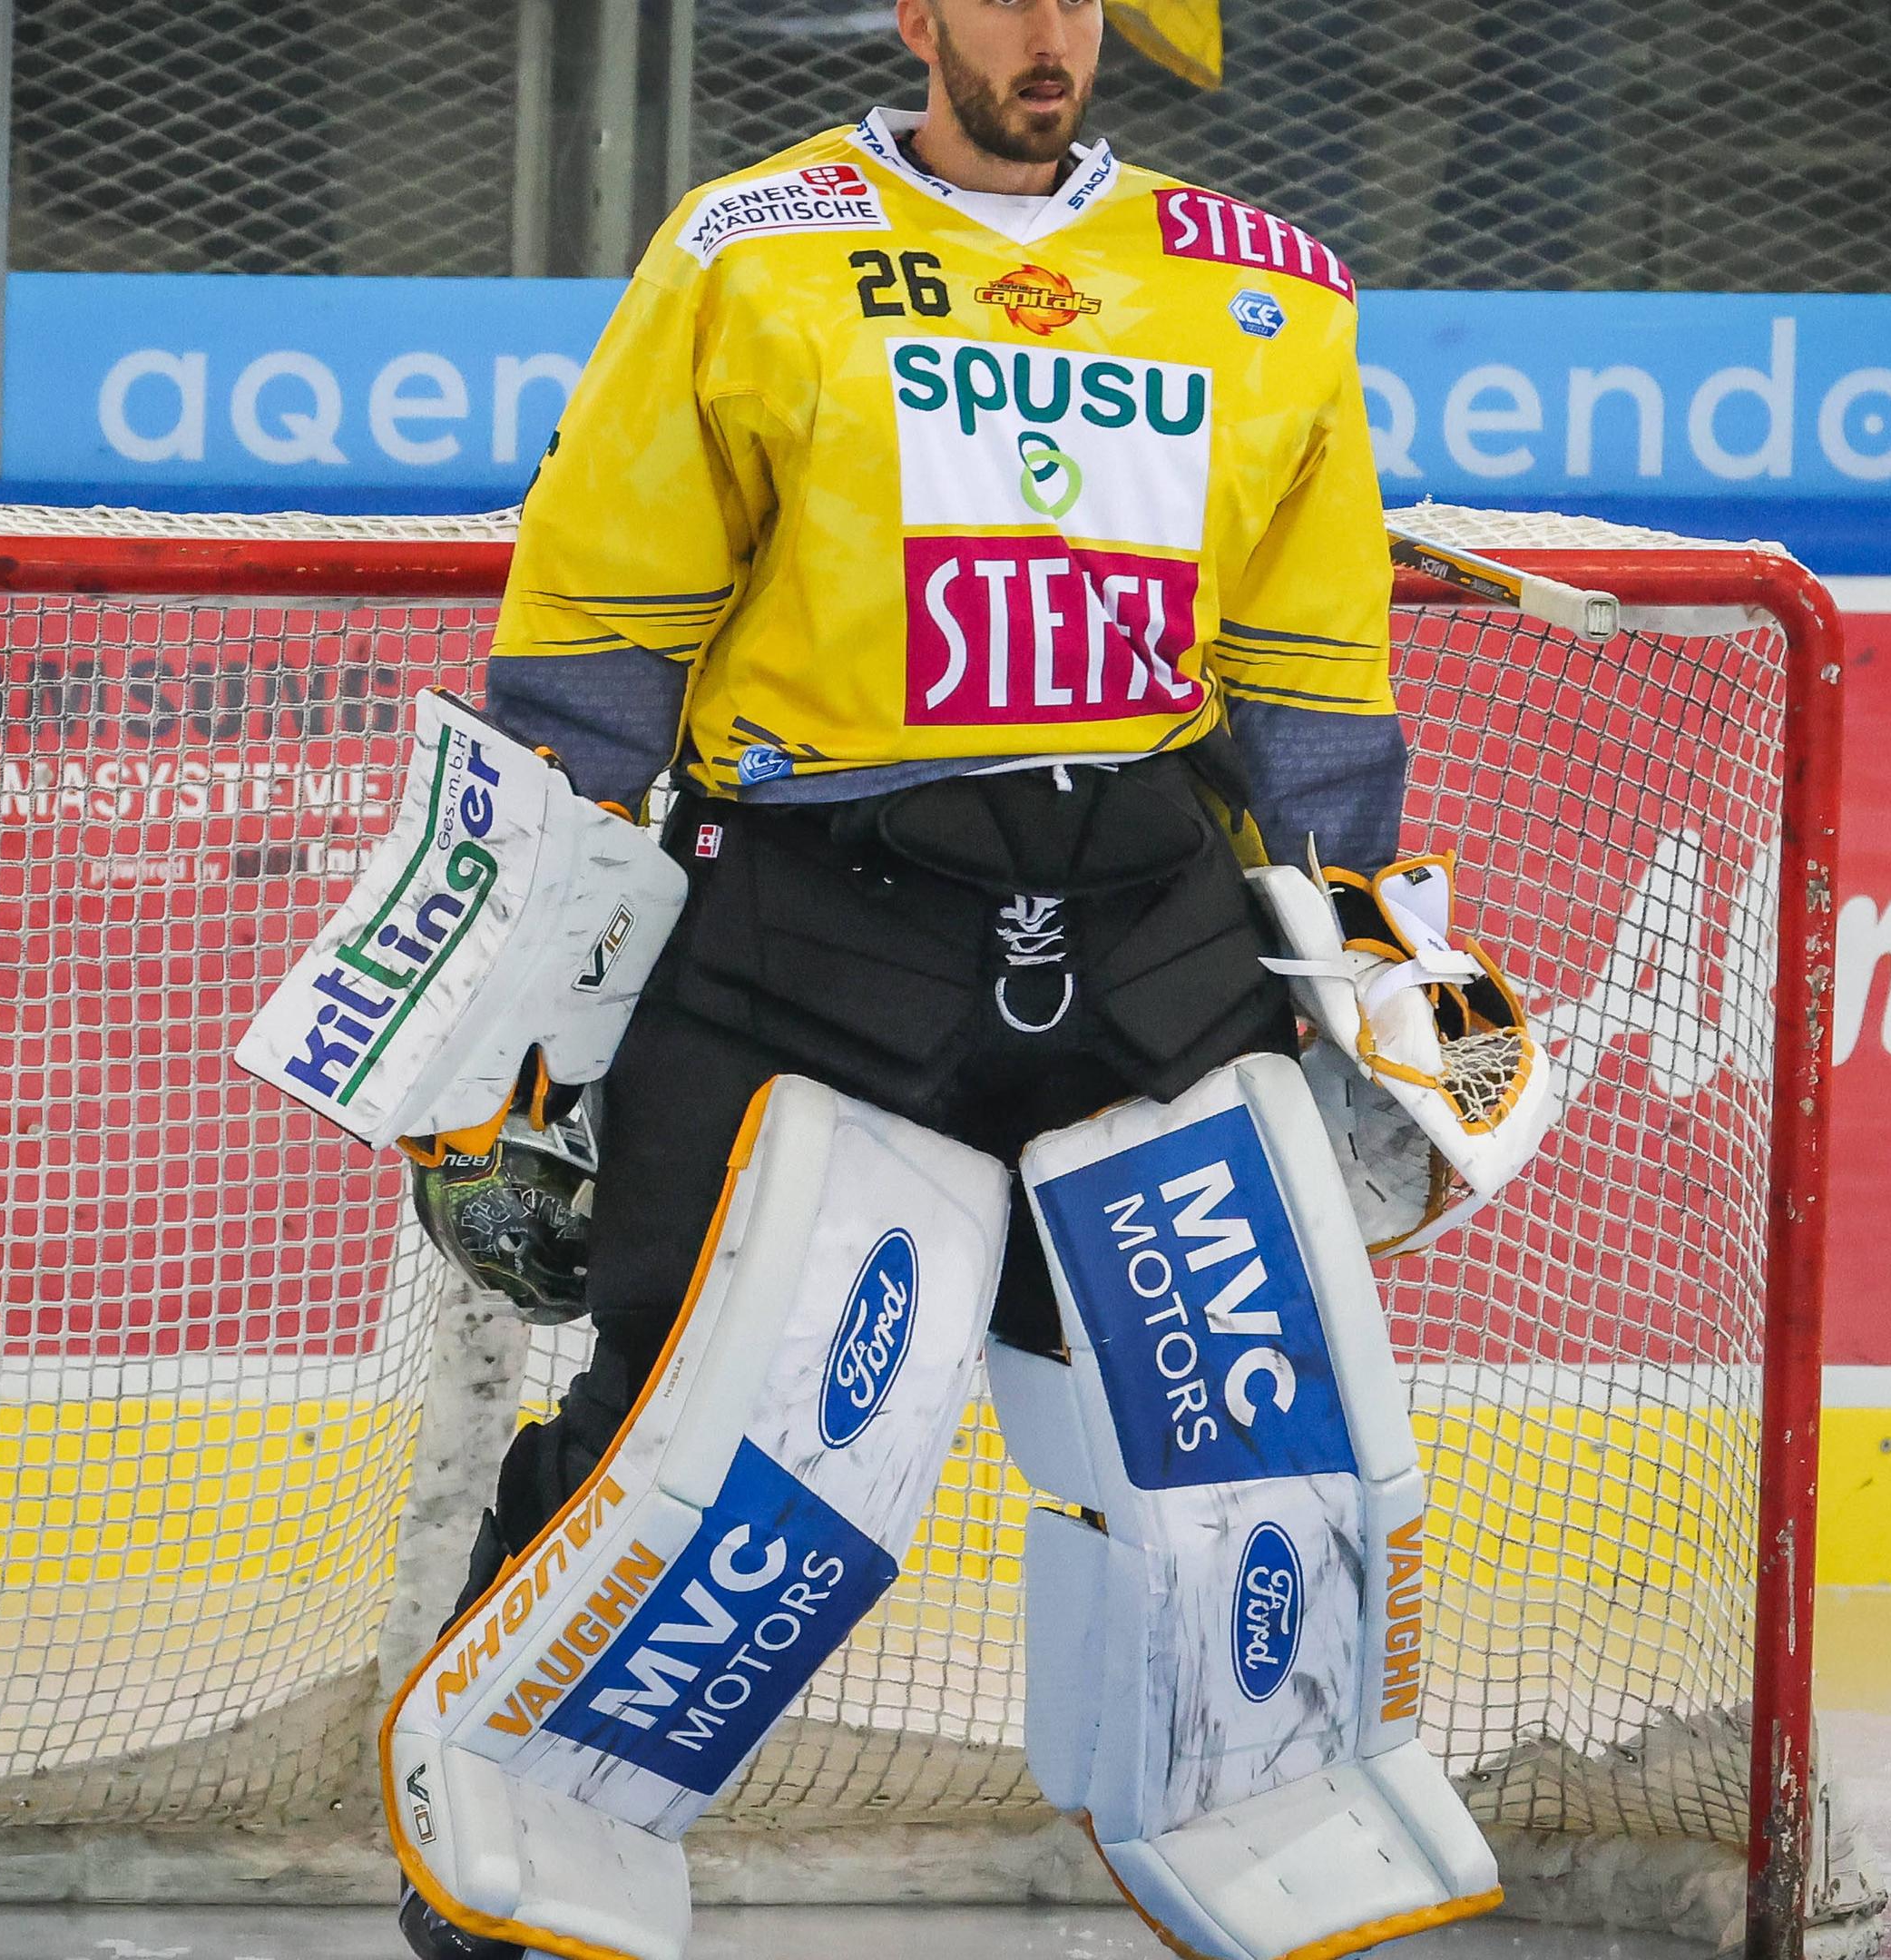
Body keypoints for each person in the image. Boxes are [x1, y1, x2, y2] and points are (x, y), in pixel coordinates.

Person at [382, 2, 1514, 1954]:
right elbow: (593, 648)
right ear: (919, 16)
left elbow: (1313, 677)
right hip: (821, 917)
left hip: (1148, 932)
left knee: (1248, 1431)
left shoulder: (1268, 292)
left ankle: (1270, 1831)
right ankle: (504, 1875)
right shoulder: (754, 248)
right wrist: (521, 1040)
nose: (1044, 30)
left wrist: (1372, 964)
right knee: (698, 1430)